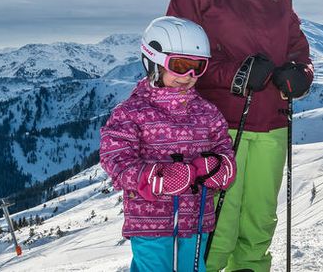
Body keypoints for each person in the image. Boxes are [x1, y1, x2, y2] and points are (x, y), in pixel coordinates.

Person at [166, 0, 313, 272]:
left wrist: (300, 74)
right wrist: (236, 74)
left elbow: (299, 49)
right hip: (220, 126)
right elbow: (180, 62)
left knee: (259, 226)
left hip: (273, 125)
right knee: (219, 228)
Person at [100, 16, 237, 272]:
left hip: (196, 222)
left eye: (198, 66)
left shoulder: (207, 112)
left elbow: (223, 148)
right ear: (153, 61)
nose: (189, 75)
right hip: (150, 222)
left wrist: (220, 167)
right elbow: (115, 158)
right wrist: (153, 177)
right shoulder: (131, 112)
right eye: (181, 65)